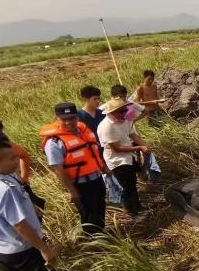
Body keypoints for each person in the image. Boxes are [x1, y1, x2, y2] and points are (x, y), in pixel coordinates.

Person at [0, 134, 55, 271]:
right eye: (12, 159)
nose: (16, 161)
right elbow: (19, 225)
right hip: (22, 248)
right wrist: (43, 248)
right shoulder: (3, 189)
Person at [39, 103, 108, 236]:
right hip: (80, 184)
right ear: (56, 118)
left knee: (100, 208)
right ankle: (94, 242)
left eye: (72, 118)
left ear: (77, 117)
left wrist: (103, 167)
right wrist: (72, 191)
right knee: (88, 215)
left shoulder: (82, 130)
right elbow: (57, 168)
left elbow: (93, 151)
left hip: (96, 178)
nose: (69, 122)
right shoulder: (54, 142)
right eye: (64, 119)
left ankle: (103, 234)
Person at [0, 116, 46, 219]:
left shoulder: (7, 145)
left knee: (35, 218)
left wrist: (24, 177)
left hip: (18, 189)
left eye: (0, 133)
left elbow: (24, 155)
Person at [97, 98, 151, 217]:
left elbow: (132, 134)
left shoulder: (126, 119)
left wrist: (144, 145)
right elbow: (116, 148)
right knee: (126, 186)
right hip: (116, 160)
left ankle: (137, 206)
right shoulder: (106, 126)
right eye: (121, 111)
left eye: (125, 110)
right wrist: (139, 148)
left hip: (128, 156)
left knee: (132, 182)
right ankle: (130, 210)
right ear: (112, 112)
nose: (124, 113)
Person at [77, 86, 106, 150]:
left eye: (99, 98)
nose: (98, 101)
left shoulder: (102, 113)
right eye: (95, 99)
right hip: (90, 149)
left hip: (105, 148)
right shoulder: (78, 116)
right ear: (85, 99)